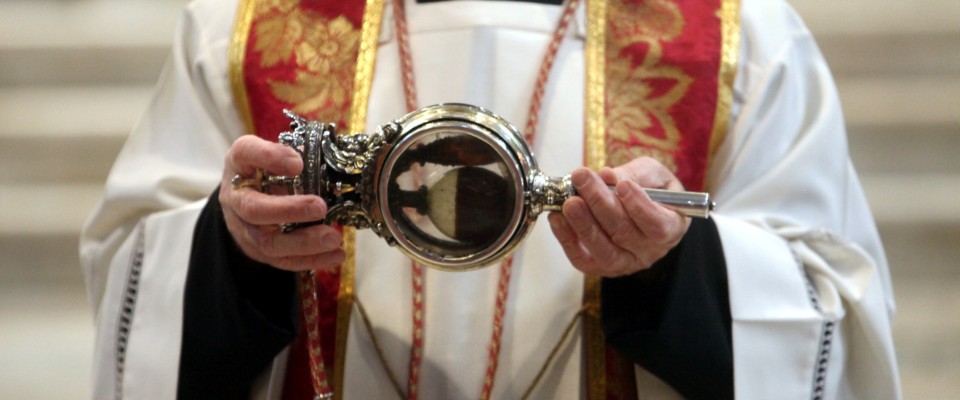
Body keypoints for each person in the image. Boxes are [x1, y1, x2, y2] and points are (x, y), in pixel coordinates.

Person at [80, 0, 901, 399]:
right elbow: (134, 273)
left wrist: (673, 268)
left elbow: (826, 301)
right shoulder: (236, 27)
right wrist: (233, 251)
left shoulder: (738, 38)